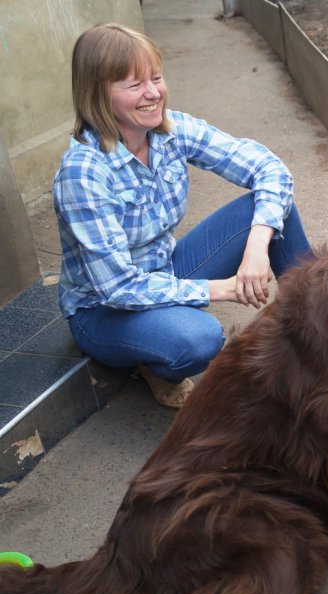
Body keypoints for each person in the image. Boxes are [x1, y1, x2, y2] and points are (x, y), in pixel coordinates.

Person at [55, 23, 312, 408]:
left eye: (156, 77)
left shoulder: (171, 130)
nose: (153, 93)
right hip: (104, 311)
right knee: (197, 340)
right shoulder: (84, 173)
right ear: (98, 93)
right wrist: (225, 288)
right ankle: (155, 363)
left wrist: (258, 246)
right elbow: (119, 288)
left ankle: (320, 327)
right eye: (133, 85)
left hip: (166, 269)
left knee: (273, 212)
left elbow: (269, 169)